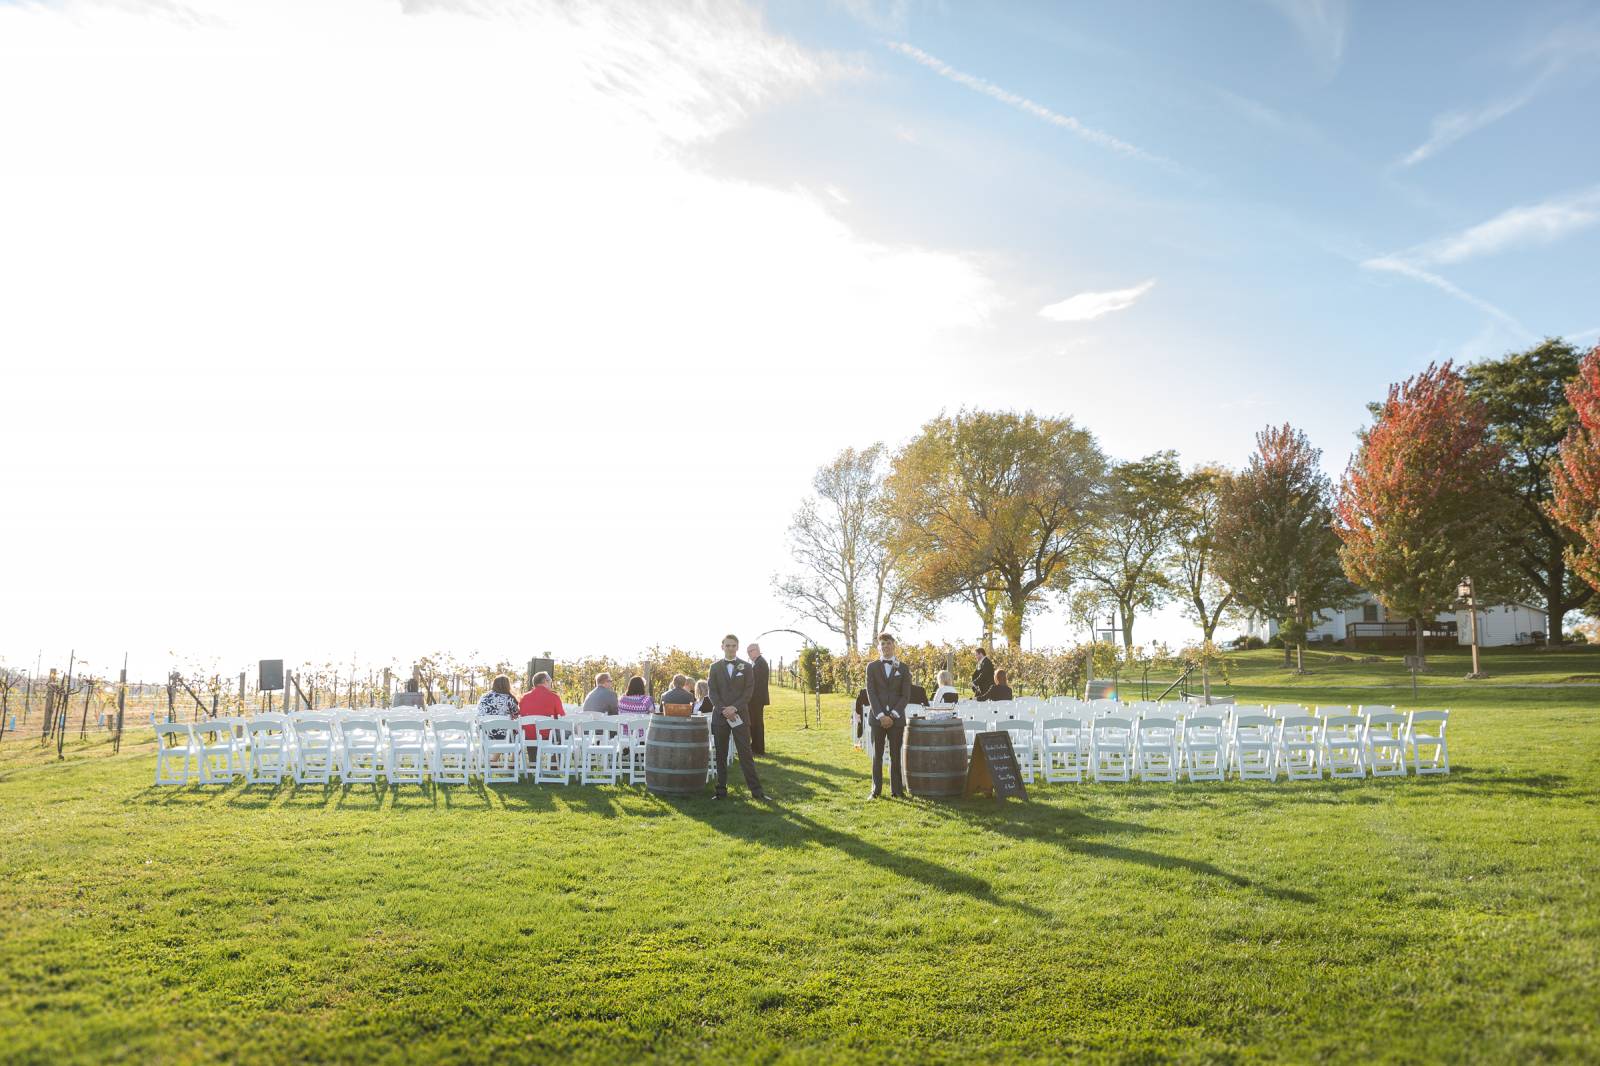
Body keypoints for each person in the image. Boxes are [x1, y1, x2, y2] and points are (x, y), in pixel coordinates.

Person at [707, 633, 766, 801]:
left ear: (737, 647)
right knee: (720, 754)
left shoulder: (746, 667)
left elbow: (749, 691)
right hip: (720, 716)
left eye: (733, 645)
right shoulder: (715, 667)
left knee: (746, 754)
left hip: (740, 716)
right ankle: (720, 792)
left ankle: (757, 792)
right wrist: (723, 709)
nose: (731, 648)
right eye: (728, 645)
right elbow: (712, 691)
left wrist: (734, 708)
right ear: (722, 647)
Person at [865, 632, 911, 799]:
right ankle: (875, 791)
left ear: (894, 645)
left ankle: (897, 791)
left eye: (888, 643)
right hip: (877, 719)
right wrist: (880, 715)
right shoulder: (872, 667)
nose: (885, 646)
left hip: (896, 719)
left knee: (895, 755)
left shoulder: (903, 668)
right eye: (882, 644)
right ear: (879, 647)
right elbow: (871, 692)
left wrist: (892, 715)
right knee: (877, 755)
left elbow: (905, 695)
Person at [517, 671, 565, 740]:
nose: (551, 684)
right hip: (548, 736)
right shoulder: (554, 697)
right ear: (545, 681)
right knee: (567, 733)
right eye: (550, 681)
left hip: (527, 736)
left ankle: (534, 751)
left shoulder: (524, 697)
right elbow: (562, 717)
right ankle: (554, 750)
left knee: (532, 731)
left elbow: (521, 715)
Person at [746, 642, 770, 756]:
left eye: (751, 651)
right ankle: (755, 747)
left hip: (756, 699)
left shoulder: (760, 663)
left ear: (756, 650)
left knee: (757, 724)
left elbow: (756, 683)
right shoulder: (758, 662)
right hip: (756, 699)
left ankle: (758, 749)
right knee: (755, 723)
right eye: (748, 652)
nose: (749, 654)